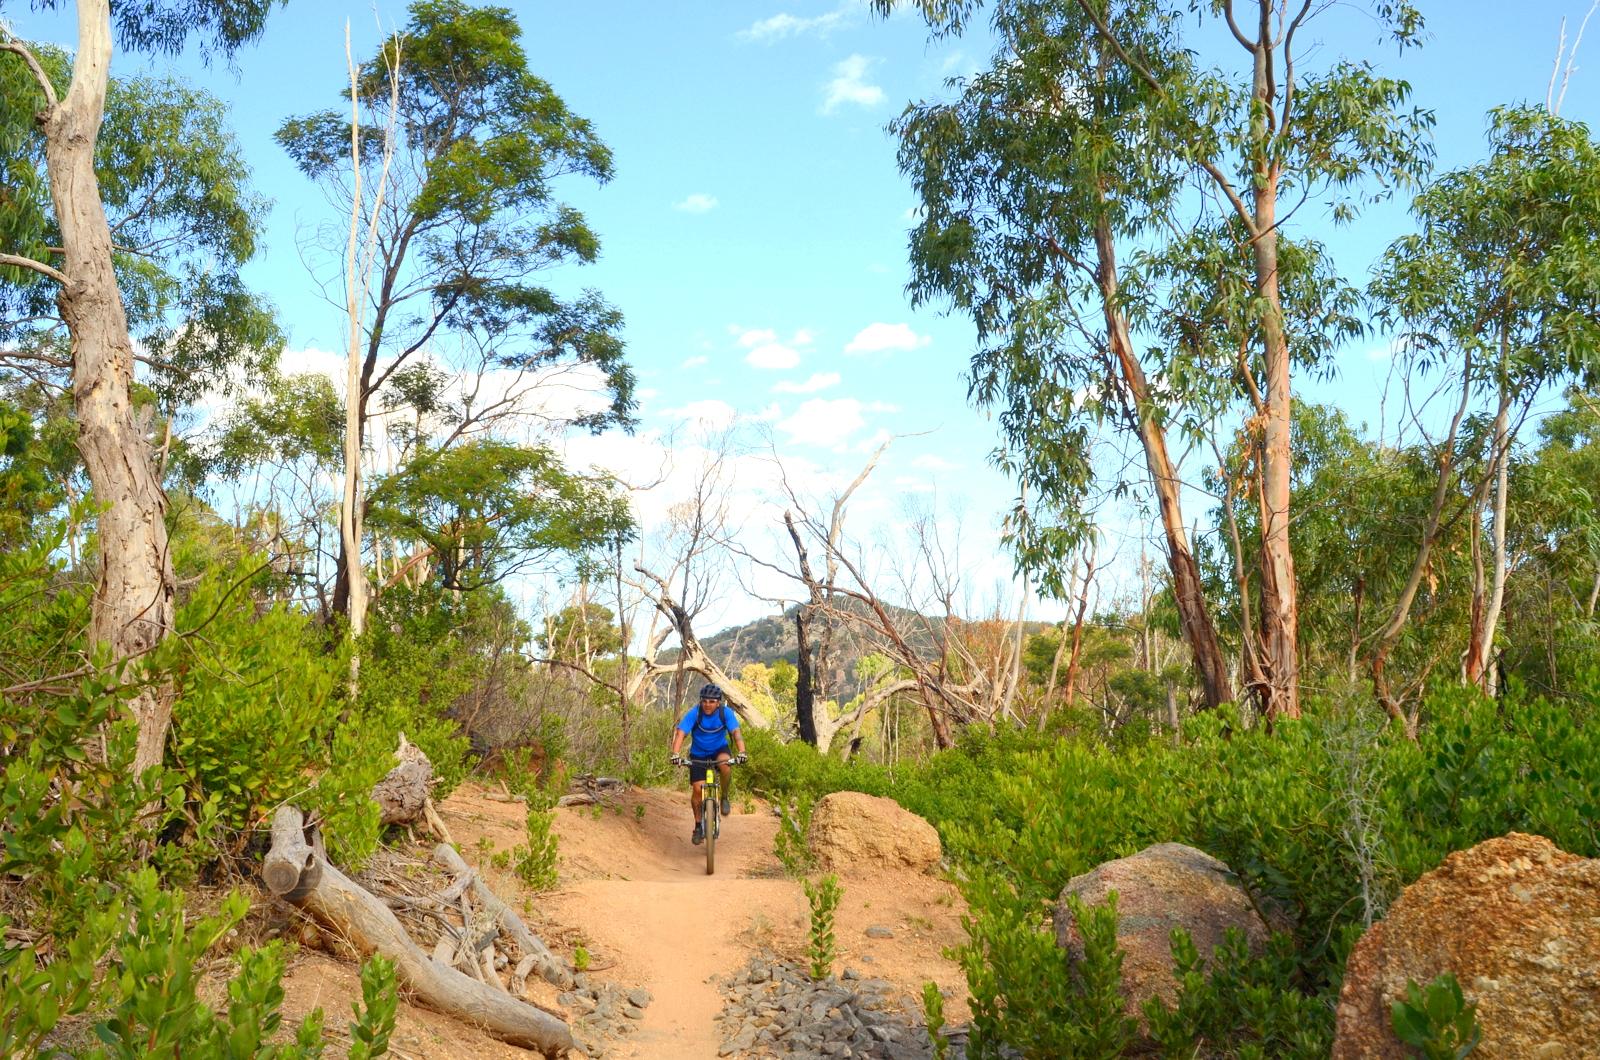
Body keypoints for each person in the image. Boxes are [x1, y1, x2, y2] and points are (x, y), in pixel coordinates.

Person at [669, 682, 747, 845]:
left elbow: (736, 733)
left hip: (719, 749)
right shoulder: (694, 713)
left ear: (718, 702)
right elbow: (681, 733)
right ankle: (698, 826)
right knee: (697, 790)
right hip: (698, 754)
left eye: (712, 701)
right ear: (700, 701)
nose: (707, 704)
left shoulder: (726, 713)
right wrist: (675, 754)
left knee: (724, 764)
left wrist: (742, 752)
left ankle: (724, 796)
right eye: (704, 701)